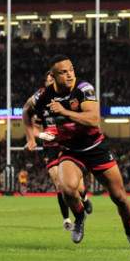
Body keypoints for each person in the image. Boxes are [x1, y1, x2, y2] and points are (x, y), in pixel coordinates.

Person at [23, 54, 130, 249]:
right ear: (53, 76)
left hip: (96, 148)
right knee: (67, 188)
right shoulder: (43, 95)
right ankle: (79, 217)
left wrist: (64, 112)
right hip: (72, 150)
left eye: (71, 69)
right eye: (64, 72)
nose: (70, 74)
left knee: (119, 197)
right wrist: (30, 137)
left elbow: (93, 119)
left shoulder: (83, 88)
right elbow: (26, 110)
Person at [27, 71, 92, 231]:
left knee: (77, 185)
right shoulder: (41, 104)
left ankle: (84, 197)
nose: (52, 82)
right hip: (50, 147)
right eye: (49, 79)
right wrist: (41, 134)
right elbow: (35, 128)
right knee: (59, 184)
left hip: (66, 143)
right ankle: (67, 220)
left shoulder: (65, 100)